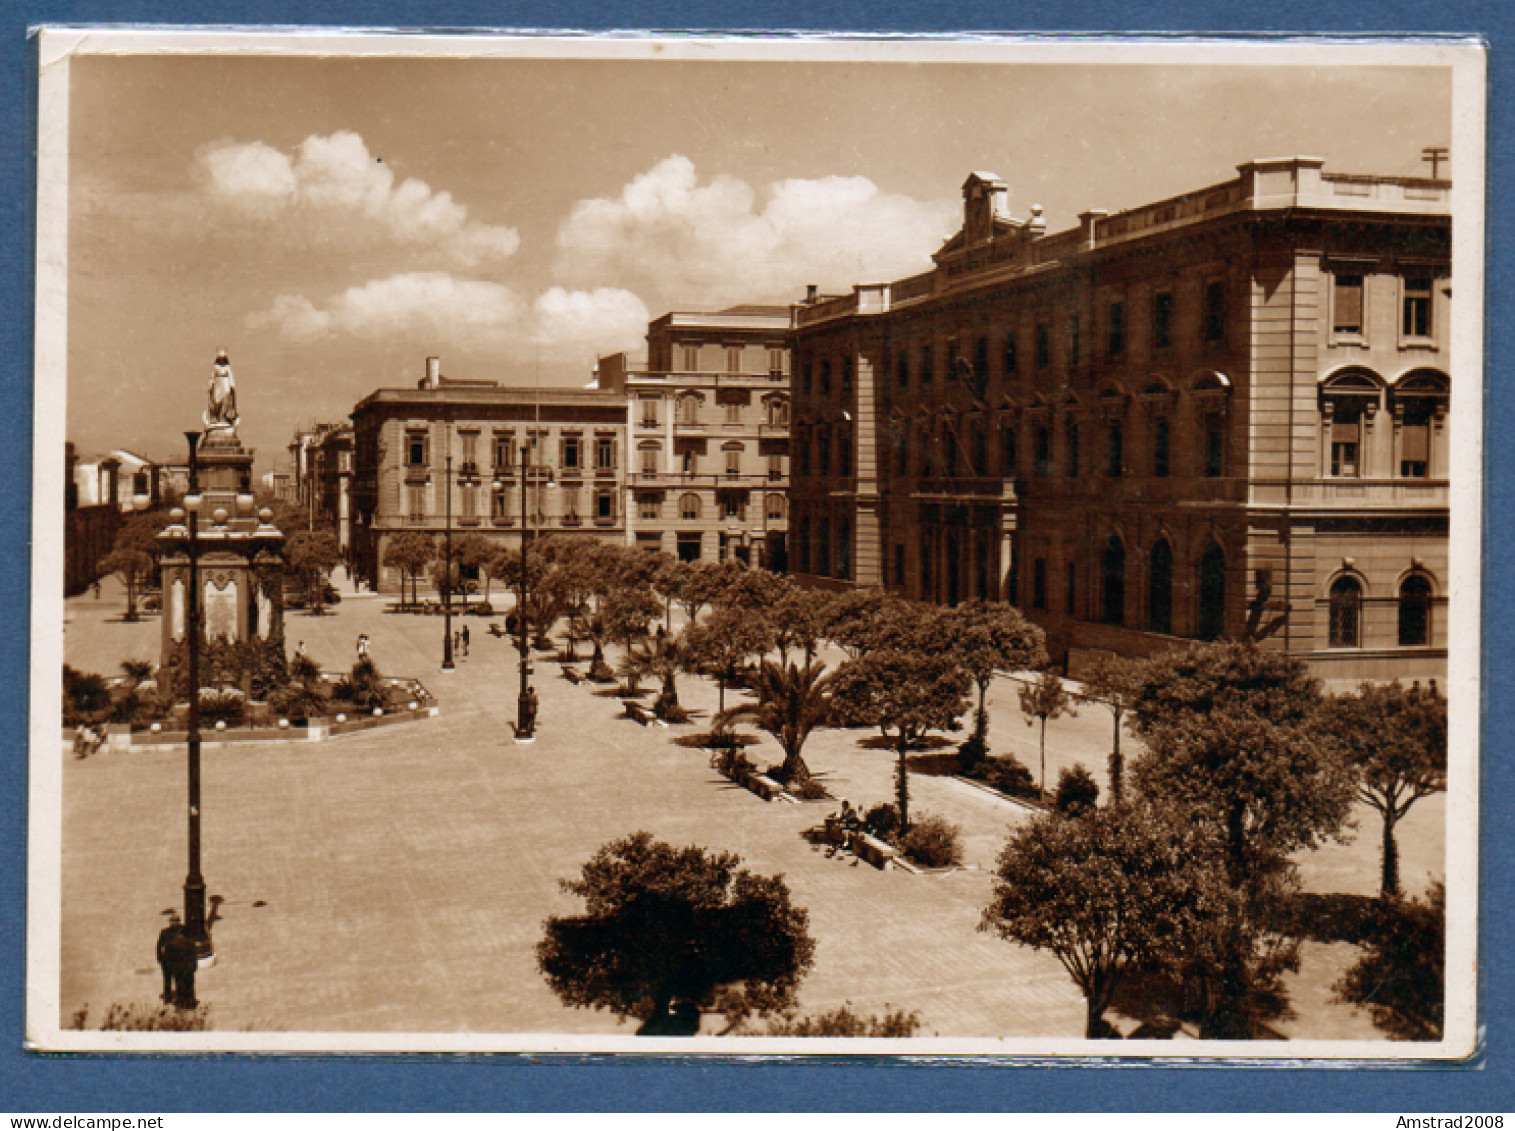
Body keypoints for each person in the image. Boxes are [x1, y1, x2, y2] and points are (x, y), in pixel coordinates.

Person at [164, 925, 199, 1009]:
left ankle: (181, 1002)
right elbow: (194, 957)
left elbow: (169, 958)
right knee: (190, 985)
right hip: (189, 968)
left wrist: (171, 969)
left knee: (179, 985)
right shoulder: (191, 943)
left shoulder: (171, 944)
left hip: (178, 969)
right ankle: (191, 1002)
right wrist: (194, 967)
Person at [205, 349, 238, 430]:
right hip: (218, 384)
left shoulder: (227, 367)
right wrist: (210, 386)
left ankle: (224, 417)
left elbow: (231, 378)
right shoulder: (216, 367)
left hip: (225, 384)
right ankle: (217, 418)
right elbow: (212, 378)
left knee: (226, 400)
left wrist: (232, 386)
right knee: (217, 400)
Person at [156, 912, 182, 1004]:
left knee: (179, 979)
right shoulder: (164, 932)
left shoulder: (184, 931)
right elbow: (159, 946)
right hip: (167, 960)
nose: (174, 923)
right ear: (170, 922)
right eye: (173, 921)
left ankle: (179, 997)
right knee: (167, 980)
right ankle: (167, 998)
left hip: (179, 960)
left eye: (176, 921)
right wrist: (160, 958)